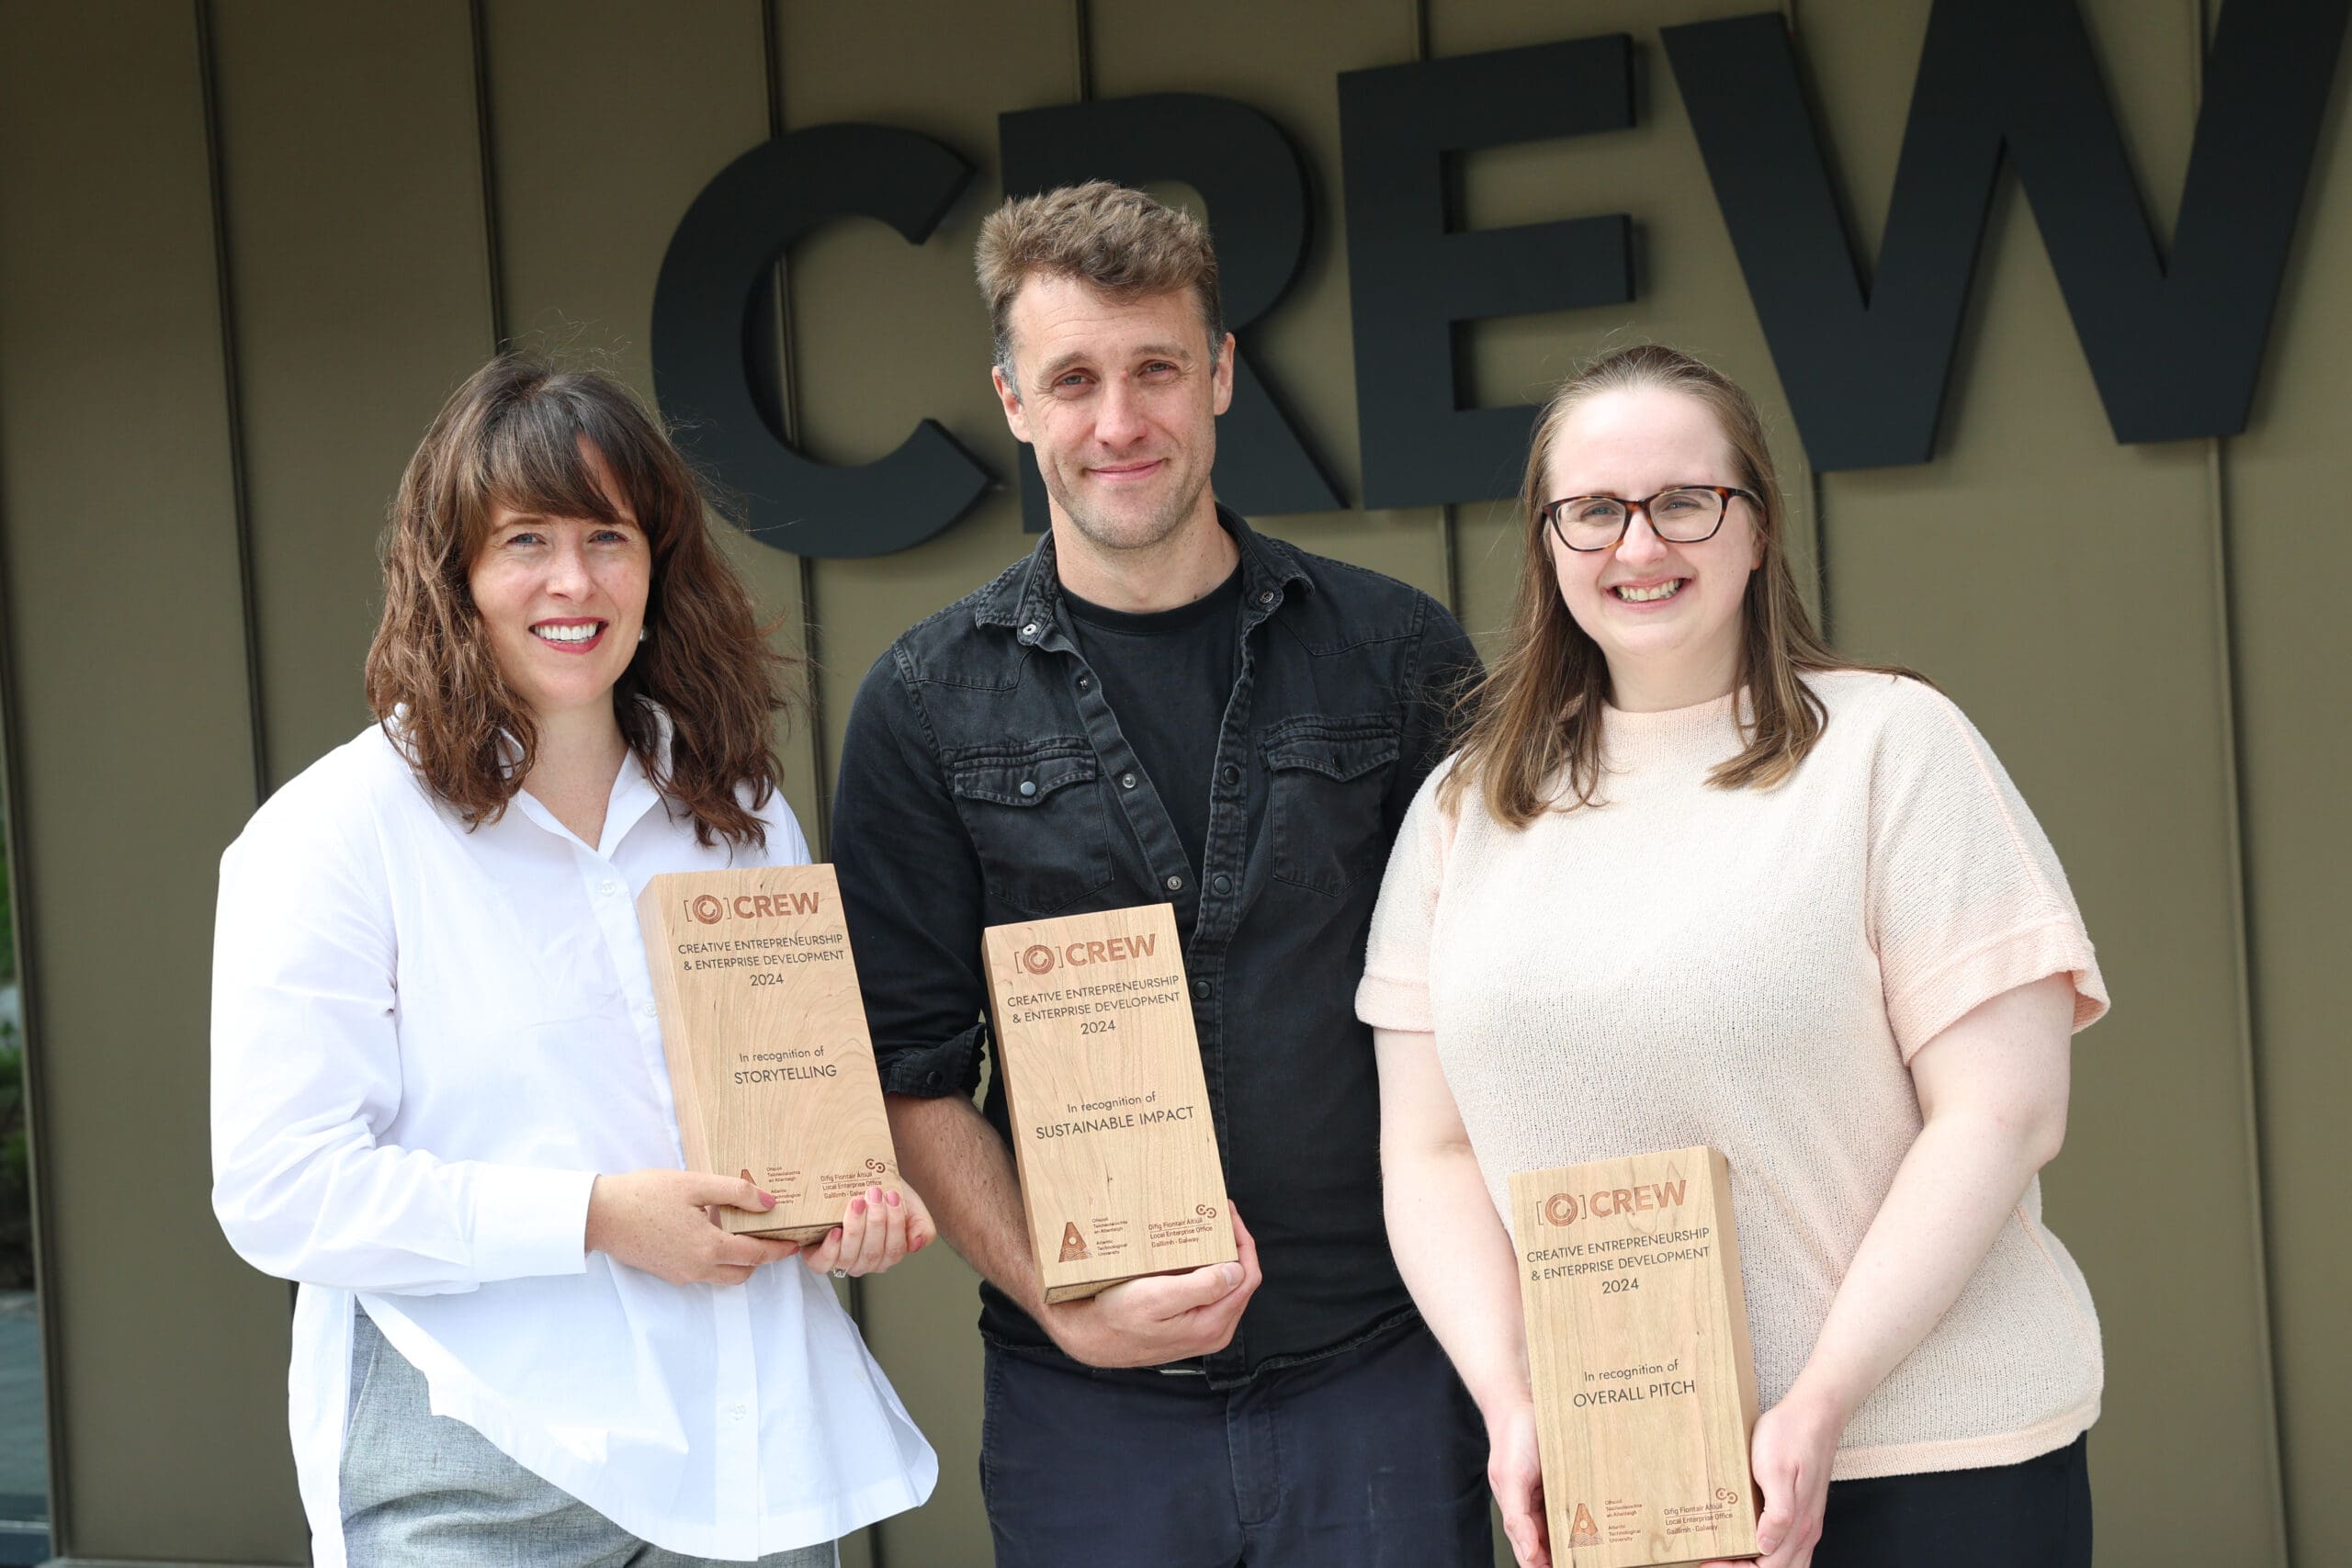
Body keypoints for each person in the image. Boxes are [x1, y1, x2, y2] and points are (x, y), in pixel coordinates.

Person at [828, 182, 1489, 1566]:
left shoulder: (1396, 657)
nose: (1117, 422)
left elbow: (1507, 1001)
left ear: (1222, 375)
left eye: (1155, 370)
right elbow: (908, 1072)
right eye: (1073, 379)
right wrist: (1055, 1298)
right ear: (1012, 399)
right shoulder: (925, 706)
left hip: (1382, 1378)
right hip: (1088, 1417)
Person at [1362, 344, 2107, 1568]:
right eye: (1594, 511)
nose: (1639, 547)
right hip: (1635, 1486)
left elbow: (2001, 1113)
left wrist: (1816, 1406)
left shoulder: (1890, 750)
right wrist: (1516, 1405)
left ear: (1756, 528)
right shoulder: (1464, 809)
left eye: (1685, 503)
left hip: (1929, 1464)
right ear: (1549, 544)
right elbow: (1428, 1149)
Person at [210, 355, 937, 1566]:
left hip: (743, 1459)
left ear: (658, 567)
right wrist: (595, 1220)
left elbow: (787, 1125)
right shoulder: (338, 835)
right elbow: (281, 1189)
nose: (572, 580)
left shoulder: (738, 815)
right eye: (525, 540)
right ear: (455, 575)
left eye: (607, 536)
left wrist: (845, 1206)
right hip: (481, 1466)